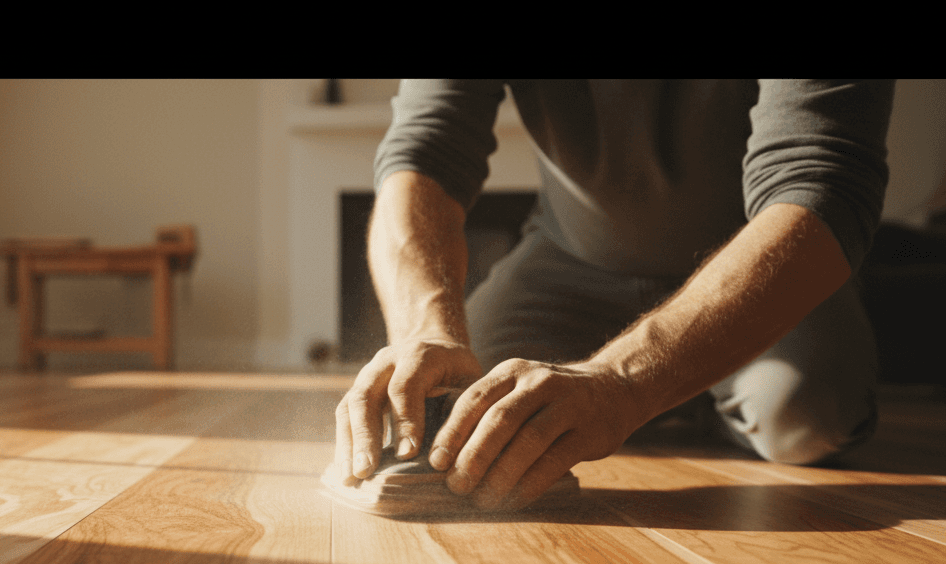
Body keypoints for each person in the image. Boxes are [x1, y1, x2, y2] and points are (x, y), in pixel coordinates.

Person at [332, 79, 896, 511]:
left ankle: (686, 394)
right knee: (470, 405)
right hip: (570, 261)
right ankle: (685, 392)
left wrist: (625, 383)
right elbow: (425, 152)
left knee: (802, 418)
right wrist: (425, 329)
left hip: (758, 259)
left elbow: (822, 181)